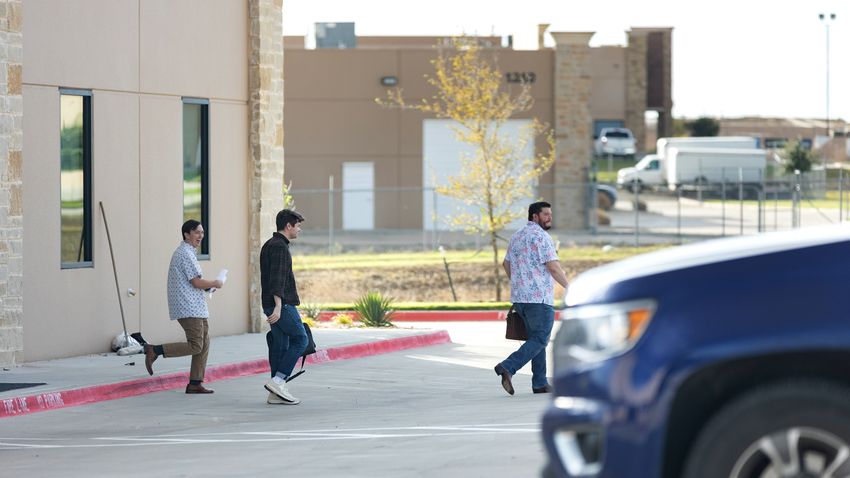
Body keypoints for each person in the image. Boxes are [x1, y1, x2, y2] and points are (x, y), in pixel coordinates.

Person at [495, 201, 568, 395]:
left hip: (520, 299)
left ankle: (539, 383)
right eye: (545, 214)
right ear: (534, 216)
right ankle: (508, 367)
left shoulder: (517, 236)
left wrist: (519, 283)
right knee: (541, 339)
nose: (549, 218)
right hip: (539, 299)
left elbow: (505, 263)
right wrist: (570, 287)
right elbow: (553, 267)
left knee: (537, 338)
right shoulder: (542, 237)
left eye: (550, 214)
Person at [144, 220, 224, 394]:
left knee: (204, 342)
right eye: (197, 232)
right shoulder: (185, 253)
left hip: (195, 305)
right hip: (189, 306)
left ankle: (195, 383)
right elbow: (195, 282)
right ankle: (155, 350)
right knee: (196, 344)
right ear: (186, 234)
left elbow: (193, 281)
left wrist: (209, 286)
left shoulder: (188, 252)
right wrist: (215, 282)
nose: (201, 236)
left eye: (202, 233)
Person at [260, 209, 309, 405]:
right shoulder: (280, 247)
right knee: (300, 339)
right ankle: (278, 381)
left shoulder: (269, 245)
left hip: (271, 304)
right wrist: (279, 306)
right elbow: (277, 279)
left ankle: (275, 393)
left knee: (281, 345)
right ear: (288, 226)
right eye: (297, 225)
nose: (299, 229)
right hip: (282, 305)